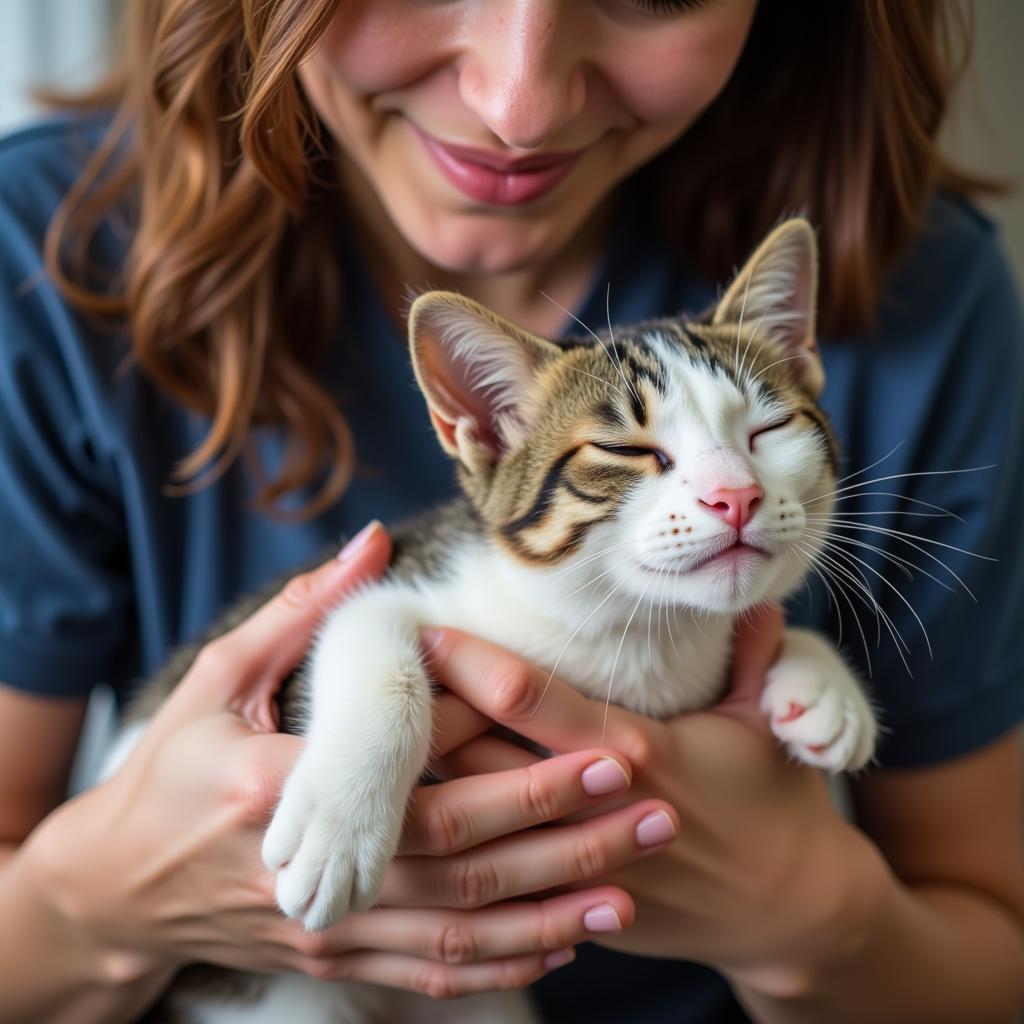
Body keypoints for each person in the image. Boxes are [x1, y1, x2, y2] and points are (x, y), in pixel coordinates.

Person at [0, 1, 1022, 1021]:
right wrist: (95, 907)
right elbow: (380, 626)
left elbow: (989, 947)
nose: (517, 105)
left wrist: (814, 915)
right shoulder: (45, 253)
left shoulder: (924, 297)